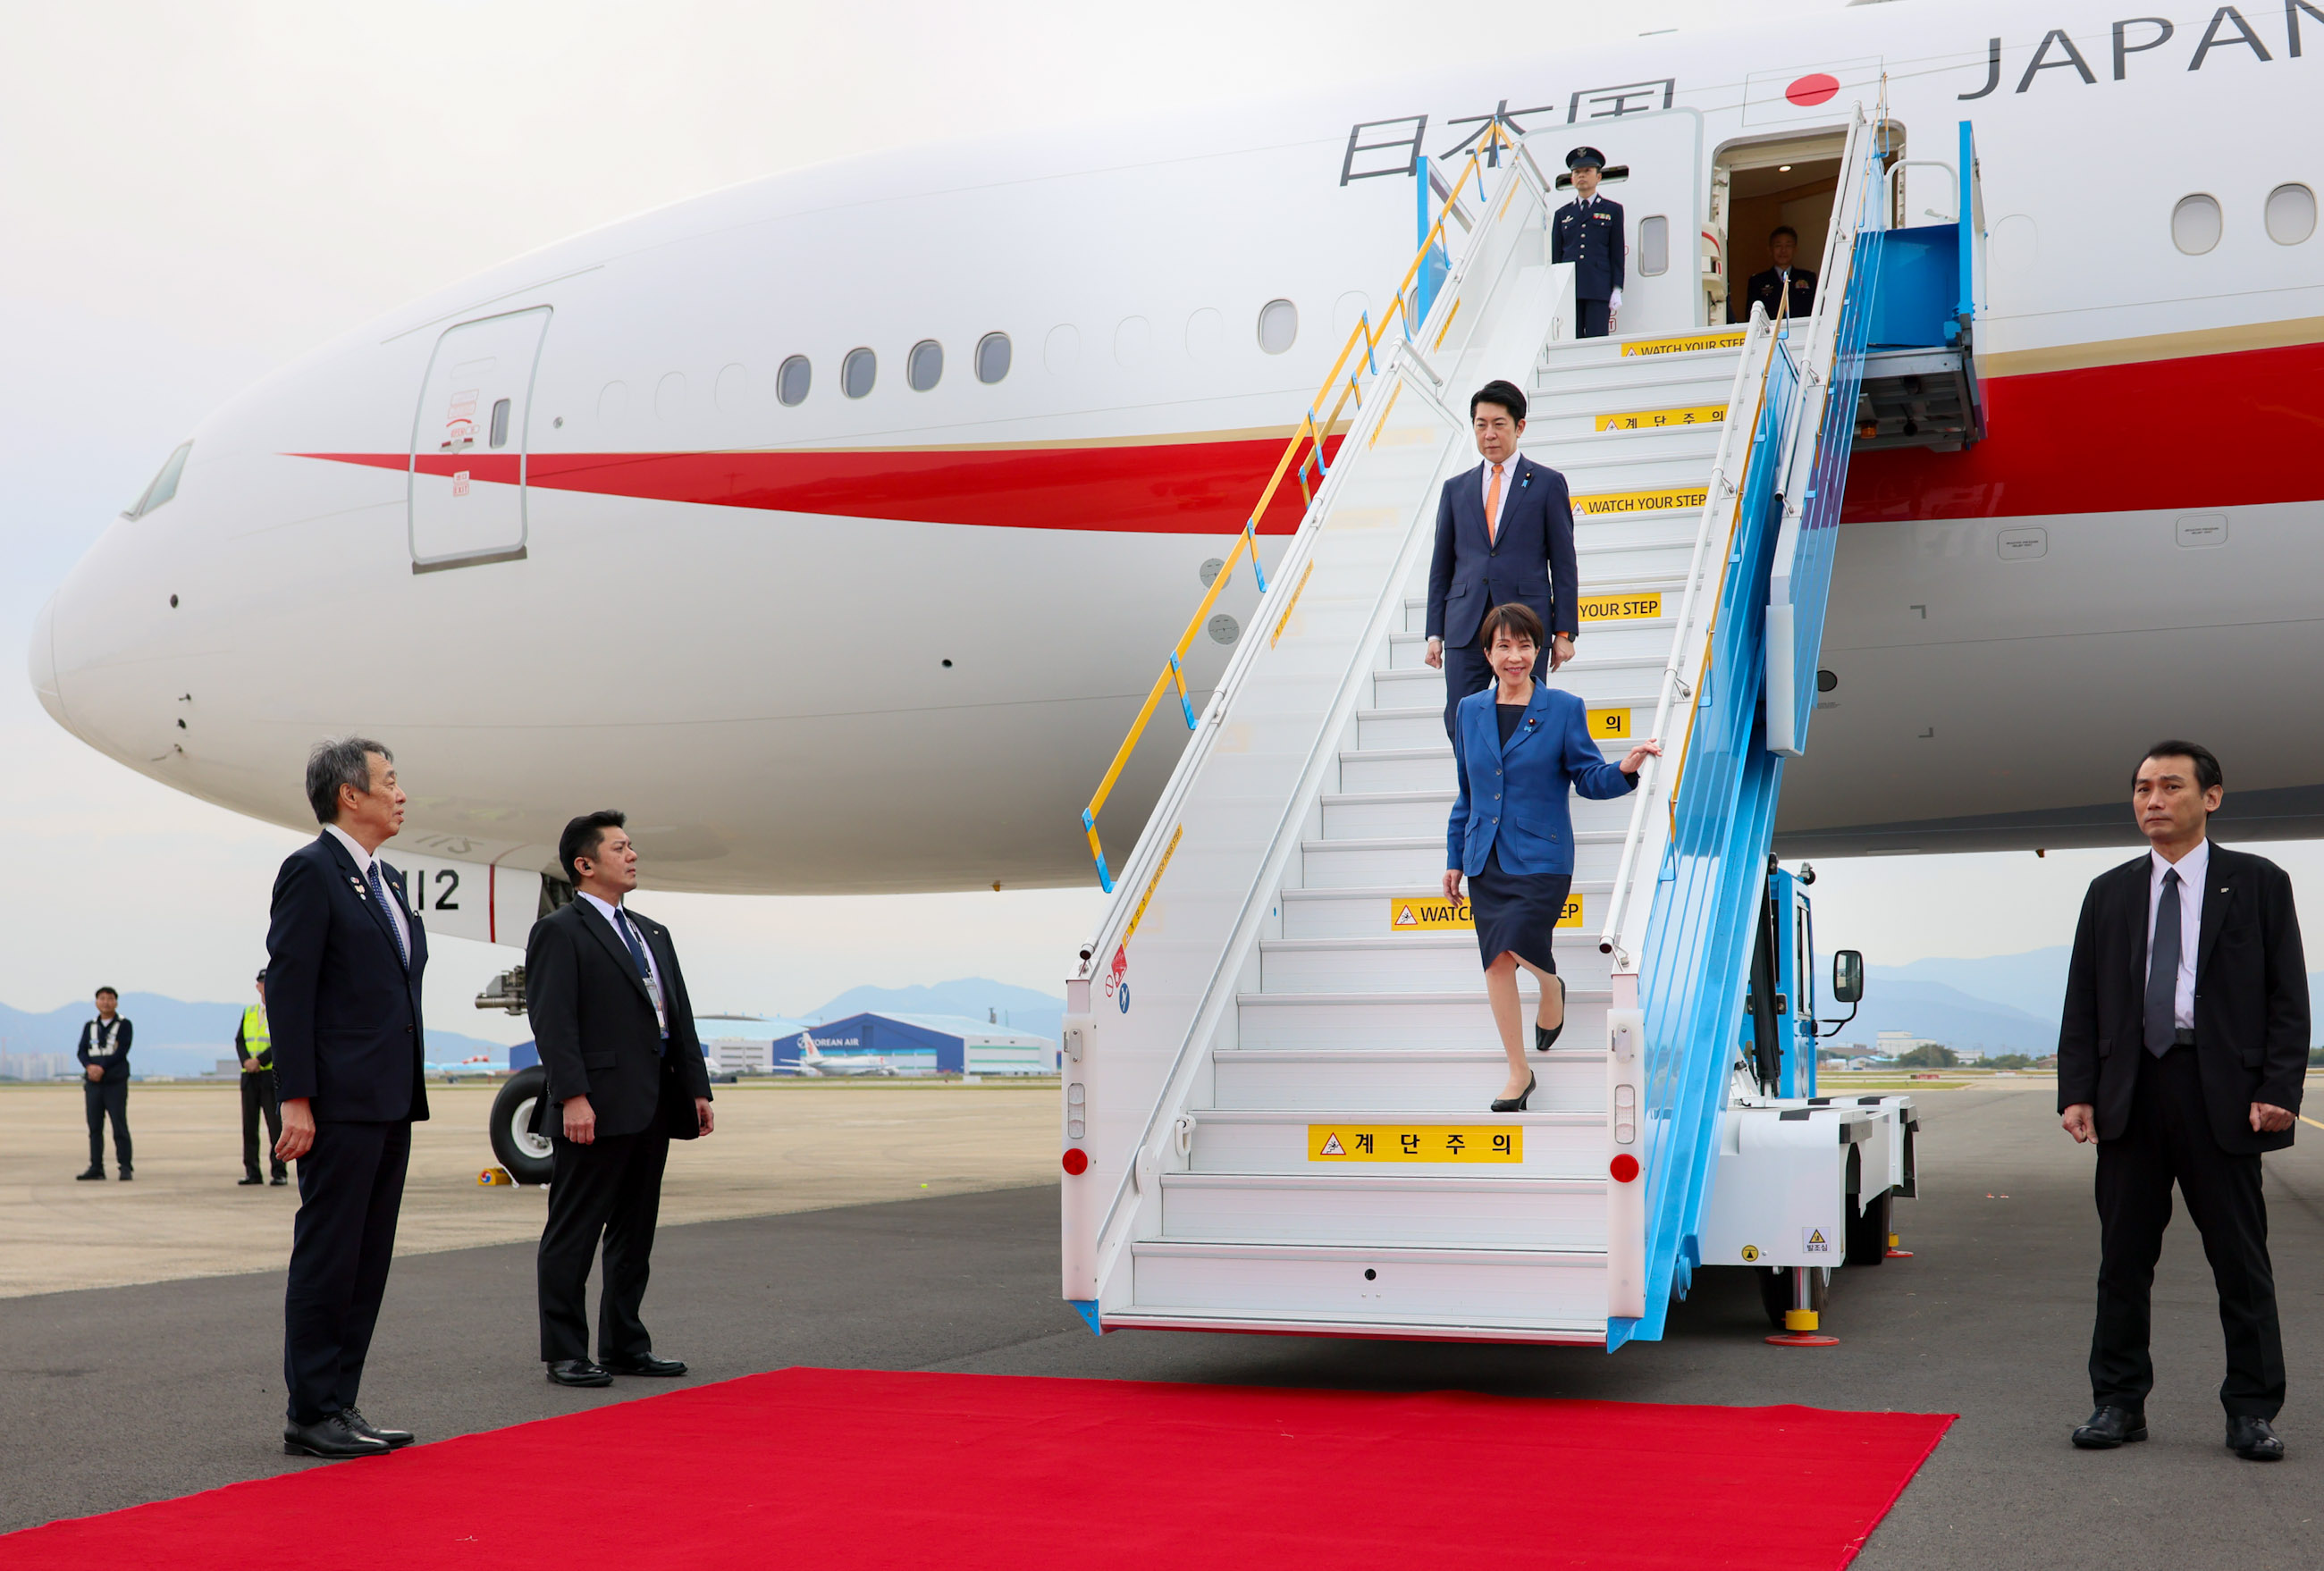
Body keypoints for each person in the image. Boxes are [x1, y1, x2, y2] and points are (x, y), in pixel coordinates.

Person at [2059, 741, 2307, 1462]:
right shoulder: (2108, 892)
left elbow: (2289, 998)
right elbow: (2083, 1001)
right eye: (2142, 788)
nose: (2153, 801)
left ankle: (2252, 1410)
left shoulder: (2257, 883)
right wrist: (2077, 1091)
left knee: (2241, 1261)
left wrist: (2279, 1088)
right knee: (2123, 1261)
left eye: (2171, 787)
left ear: (2212, 797)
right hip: (2130, 1094)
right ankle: (2117, 1402)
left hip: (2223, 1095)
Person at [265, 737, 429, 1460]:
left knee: (368, 1257)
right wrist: (295, 1098)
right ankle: (310, 1411)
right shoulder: (311, 872)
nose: (401, 794)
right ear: (348, 796)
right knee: (331, 1255)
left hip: (389, 1098)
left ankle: (341, 1402)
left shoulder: (385, 880)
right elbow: (289, 990)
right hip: (337, 1101)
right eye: (389, 782)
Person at [1443, 603, 1660, 1108]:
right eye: (1503, 646)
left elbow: (1586, 778)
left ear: (1539, 651)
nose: (1514, 656)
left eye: (1524, 645)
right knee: (1496, 962)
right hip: (1485, 857)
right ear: (1488, 652)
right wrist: (1455, 854)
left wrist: (1623, 769)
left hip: (1542, 858)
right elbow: (1467, 792)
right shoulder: (1469, 710)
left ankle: (1550, 988)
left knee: (1519, 943)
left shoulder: (1563, 707)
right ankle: (1519, 1073)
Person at [526, 811, 715, 1389]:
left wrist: (696, 1088)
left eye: (632, 846)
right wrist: (573, 1096)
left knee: (636, 1232)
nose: (632, 855)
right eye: (619, 848)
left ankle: (625, 1344)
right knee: (575, 1231)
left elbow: (675, 1016)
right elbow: (553, 1023)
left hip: (653, 1101)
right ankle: (565, 1351)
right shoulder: (561, 931)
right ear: (585, 865)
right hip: (595, 1106)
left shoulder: (652, 933)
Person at [1425, 381, 1579, 741]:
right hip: (1466, 626)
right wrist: (1435, 632)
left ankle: (1520, 790)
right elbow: (1441, 567)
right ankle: (1475, 794)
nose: (1489, 434)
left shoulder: (1547, 483)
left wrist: (1564, 631)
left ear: (1519, 427)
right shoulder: (1455, 489)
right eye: (1481, 424)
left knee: (1527, 719)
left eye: (1499, 424)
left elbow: (1564, 563)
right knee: (1460, 719)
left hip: (1527, 625)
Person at [1551, 147, 1624, 339]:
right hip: (1570, 289)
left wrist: (1617, 288)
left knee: (1596, 341)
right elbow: (1557, 257)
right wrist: (1556, 290)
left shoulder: (1612, 210)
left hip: (1598, 288)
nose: (1581, 176)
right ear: (1572, 178)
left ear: (1598, 177)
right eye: (1577, 172)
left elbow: (1616, 253)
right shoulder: (1562, 214)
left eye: (1587, 171)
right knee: (1569, 340)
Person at [74, 987, 134, 1181]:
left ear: (116, 1002)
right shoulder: (89, 1026)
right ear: (96, 1002)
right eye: (102, 998)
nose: (106, 1002)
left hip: (115, 1083)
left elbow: (121, 1051)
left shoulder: (124, 1025)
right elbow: (82, 1050)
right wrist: (89, 1067)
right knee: (94, 1127)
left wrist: (102, 1068)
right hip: (93, 1084)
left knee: (119, 1125)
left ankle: (125, 1166)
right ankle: (96, 1167)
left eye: (110, 999)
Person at [236, 968, 288, 1187]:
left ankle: (279, 1171)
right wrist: (247, 1061)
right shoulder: (249, 1012)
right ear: (257, 986)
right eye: (262, 983)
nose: (265, 987)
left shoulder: (282, 1011)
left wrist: (261, 1061)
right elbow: (239, 1040)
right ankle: (252, 1172)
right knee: (249, 1126)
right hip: (249, 1077)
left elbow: (281, 1042)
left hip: (269, 1075)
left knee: (275, 1125)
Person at [1736, 225, 1816, 325]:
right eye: (1778, 246)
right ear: (1770, 250)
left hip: (1803, 333)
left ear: (1795, 249)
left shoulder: (1808, 278)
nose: (1783, 251)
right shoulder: (1758, 281)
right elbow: (1752, 317)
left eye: (1788, 246)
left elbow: (1816, 311)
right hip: (1769, 335)